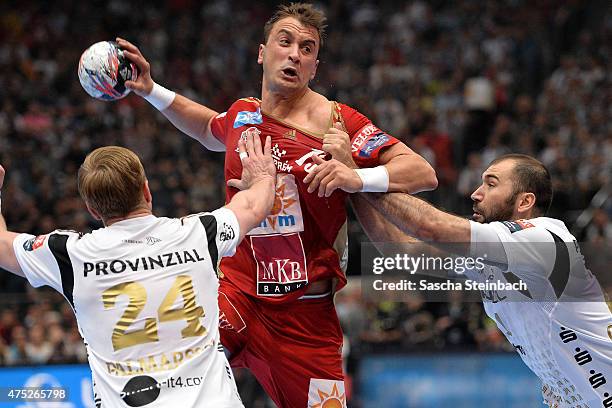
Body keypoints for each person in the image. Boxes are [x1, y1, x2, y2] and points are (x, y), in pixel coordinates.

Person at [116, 3, 438, 407]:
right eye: (284, 42)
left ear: (314, 66)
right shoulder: (242, 114)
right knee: (167, 380)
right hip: (236, 295)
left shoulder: (337, 122)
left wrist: (355, 175)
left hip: (307, 316)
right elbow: (207, 127)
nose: (294, 54)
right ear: (262, 52)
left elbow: (422, 172)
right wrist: (151, 90)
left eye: (307, 48)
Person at [0, 131, 276, 407]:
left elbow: (2, 246)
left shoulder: (70, 256)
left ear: (92, 210)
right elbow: (254, 205)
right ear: (146, 190)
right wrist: (262, 175)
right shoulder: (200, 233)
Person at [349, 154, 612, 408]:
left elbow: (430, 226)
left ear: (525, 202)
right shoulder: (491, 258)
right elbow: (403, 251)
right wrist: (353, 184)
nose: (476, 193)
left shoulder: (544, 239)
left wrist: (361, 177)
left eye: (491, 183)